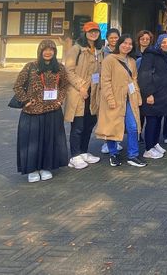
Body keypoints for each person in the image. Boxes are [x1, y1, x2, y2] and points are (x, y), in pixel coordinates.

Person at [14, 39, 70, 182]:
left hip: (53, 110)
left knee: (49, 140)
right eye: (45, 49)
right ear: (40, 51)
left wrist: (60, 100)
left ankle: (46, 167)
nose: (48, 52)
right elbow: (18, 85)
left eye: (51, 49)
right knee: (32, 142)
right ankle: (32, 169)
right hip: (32, 111)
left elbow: (64, 85)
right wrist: (25, 100)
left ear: (54, 52)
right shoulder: (30, 67)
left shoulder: (60, 68)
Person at [95, 34, 146, 167]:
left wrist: (138, 95)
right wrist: (110, 99)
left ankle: (133, 155)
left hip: (130, 98)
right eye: (124, 43)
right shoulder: (109, 60)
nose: (127, 46)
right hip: (114, 98)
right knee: (112, 126)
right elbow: (105, 81)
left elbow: (134, 80)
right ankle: (113, 154)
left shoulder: (132, 61)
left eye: (130, 44)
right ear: (119, 44)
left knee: (133, 127)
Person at [63, 21, 103, 170]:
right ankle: (74, 156)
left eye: (96, 31)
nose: (93, 34)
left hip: (93, 93)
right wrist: (81, 86)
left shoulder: (99, 50)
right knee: (78, 125)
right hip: (78, 93)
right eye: (90, 31)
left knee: (89, 123)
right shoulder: (76, 49)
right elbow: (68, 71)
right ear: (85, 33)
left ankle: (84, 152)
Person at [138, 34, 167, 160]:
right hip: (152, 95)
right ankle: (148, 148)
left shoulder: (165, 56)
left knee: (158, 120)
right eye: (163, 42)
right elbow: (144, 75)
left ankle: (154, 143)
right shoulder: (150, 55)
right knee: (152, 121)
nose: (166, 44)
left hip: (163, 94)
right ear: (158, 43)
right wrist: (148, 93)